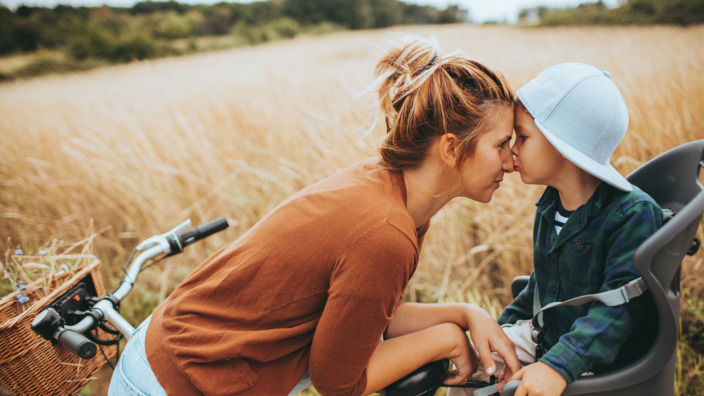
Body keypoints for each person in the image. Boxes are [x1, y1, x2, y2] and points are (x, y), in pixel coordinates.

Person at [108, 35, 522, 396]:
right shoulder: (385, 232)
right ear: (451, 149)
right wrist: (446, 339)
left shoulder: (390, 192)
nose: (512, 160)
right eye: (501, 144)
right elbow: (339, 382)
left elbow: (360, 319)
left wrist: (469, 314)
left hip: (165, 356)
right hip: (174, 383)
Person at [449, 63, 662, 396]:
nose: (512, 149)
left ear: (562, 143)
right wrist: (501, 330)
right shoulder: (550, 206)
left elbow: (620, 309)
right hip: (548, 339)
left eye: (523, 137)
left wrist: (557, 365)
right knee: (472, 367)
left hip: (596, 357)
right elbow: (541, 285)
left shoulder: (632, 215)